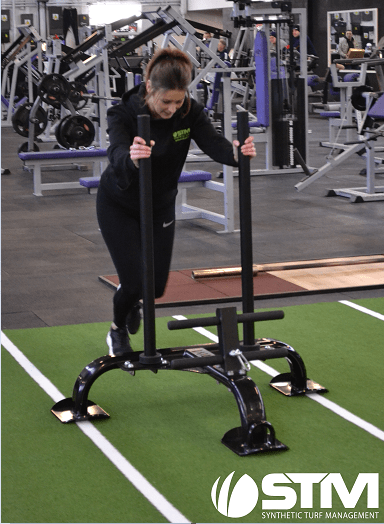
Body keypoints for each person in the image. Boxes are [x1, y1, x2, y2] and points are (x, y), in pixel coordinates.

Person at [96, 47, 256, 357]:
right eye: (165, 101)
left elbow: (213, 143)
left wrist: (237, 154)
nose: (171, 108)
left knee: (155, 289)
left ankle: (133, 298)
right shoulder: (124, 113)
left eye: (178, 101)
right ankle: (117, 329)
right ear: (149, 89)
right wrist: (131, 157)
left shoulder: (189, 112)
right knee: (132, 282)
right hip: (120, 203)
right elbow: (115, 153)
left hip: (160, 205)